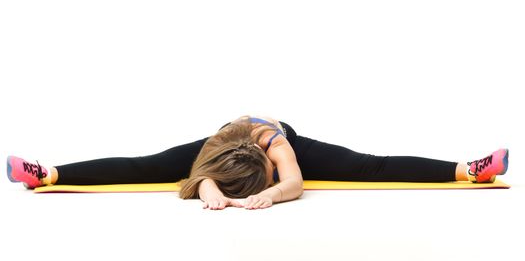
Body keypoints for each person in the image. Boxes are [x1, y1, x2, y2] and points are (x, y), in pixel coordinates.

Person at [6, 115, 509, 210]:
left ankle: (468, 167)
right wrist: (210, 190)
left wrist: (272, 191)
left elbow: (293, 183)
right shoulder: (212, 149)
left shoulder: (280, 150)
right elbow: (196, 176)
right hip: (226, 146)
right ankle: (49, 171)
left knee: (368, 163)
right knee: (147, 163)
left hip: (283, 135)